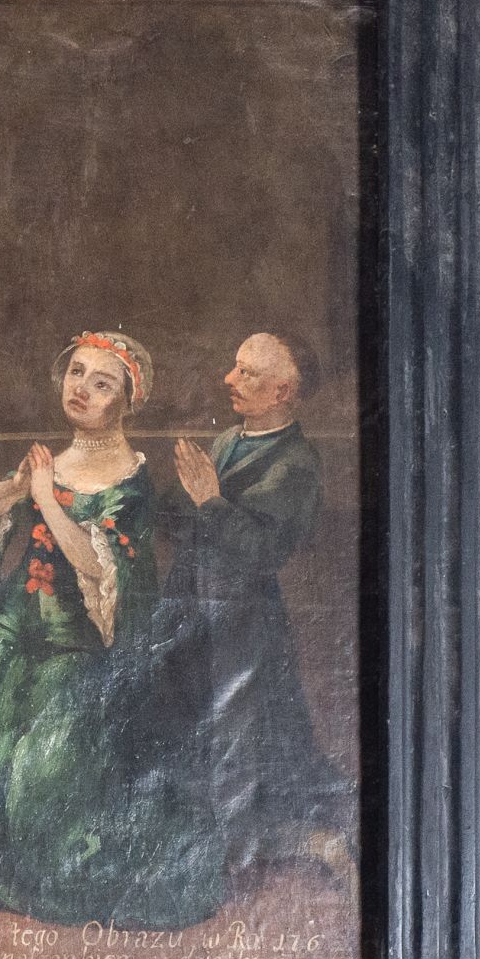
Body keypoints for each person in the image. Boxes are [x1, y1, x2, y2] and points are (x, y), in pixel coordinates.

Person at [0, 331, 223, 929]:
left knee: (44, 762)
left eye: (102, 383)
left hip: (80, 643)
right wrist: (14, 489)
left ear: (127, 402)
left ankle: (49, 865)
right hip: (14, 628)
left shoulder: (130, 481)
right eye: (77, 373)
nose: (82, 389)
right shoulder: (51, 462)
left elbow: (96, 566)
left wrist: (46, 497)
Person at [160, 330, 353, 871]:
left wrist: (209, 502)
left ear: (282, 392)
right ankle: (201, 827)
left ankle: (239, 846)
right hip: (193, 602)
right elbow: (182, 519)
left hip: (243, 616)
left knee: (236, 725)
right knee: (185, 707)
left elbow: (264, 550)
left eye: (247, 373)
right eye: (235, 366)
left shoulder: (297, 464)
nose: (229, 379)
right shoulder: (228, 440)